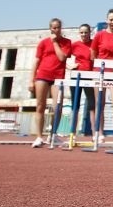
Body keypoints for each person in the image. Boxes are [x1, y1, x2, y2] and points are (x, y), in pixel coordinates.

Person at [29, 18, 73, 148]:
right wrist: (31, 80)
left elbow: (62, 57)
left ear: (61, 28)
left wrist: (55, 43)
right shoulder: (43, 43)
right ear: (50, 29)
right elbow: (36, 62)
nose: (56, 30)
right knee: (40, 106)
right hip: (42, 75)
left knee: (57, 106)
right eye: (53, 28)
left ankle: (52, 135)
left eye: (58, 27)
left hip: (57, 77)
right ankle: (38, 137)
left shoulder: (66, 42)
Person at [91, 9, 113, 143]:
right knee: (100, 103)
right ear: (106, 20)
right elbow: (93, 52)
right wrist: (98, 65)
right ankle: (100, 133)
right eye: (111, 19)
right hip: (99, 72)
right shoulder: (99, 35)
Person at [69, 23, 98, 142]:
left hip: (89, 76)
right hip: (76, 76)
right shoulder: (74, 45)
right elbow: (64, 59)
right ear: (79, 33)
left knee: (92, 105)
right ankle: (72, 134)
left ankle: (94, 134)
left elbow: (97, 57)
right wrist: (70, 65)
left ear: (90, 32)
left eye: (86, 32)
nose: (84, 34)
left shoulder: (93, 44)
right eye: (82, 32)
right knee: (74, 106)